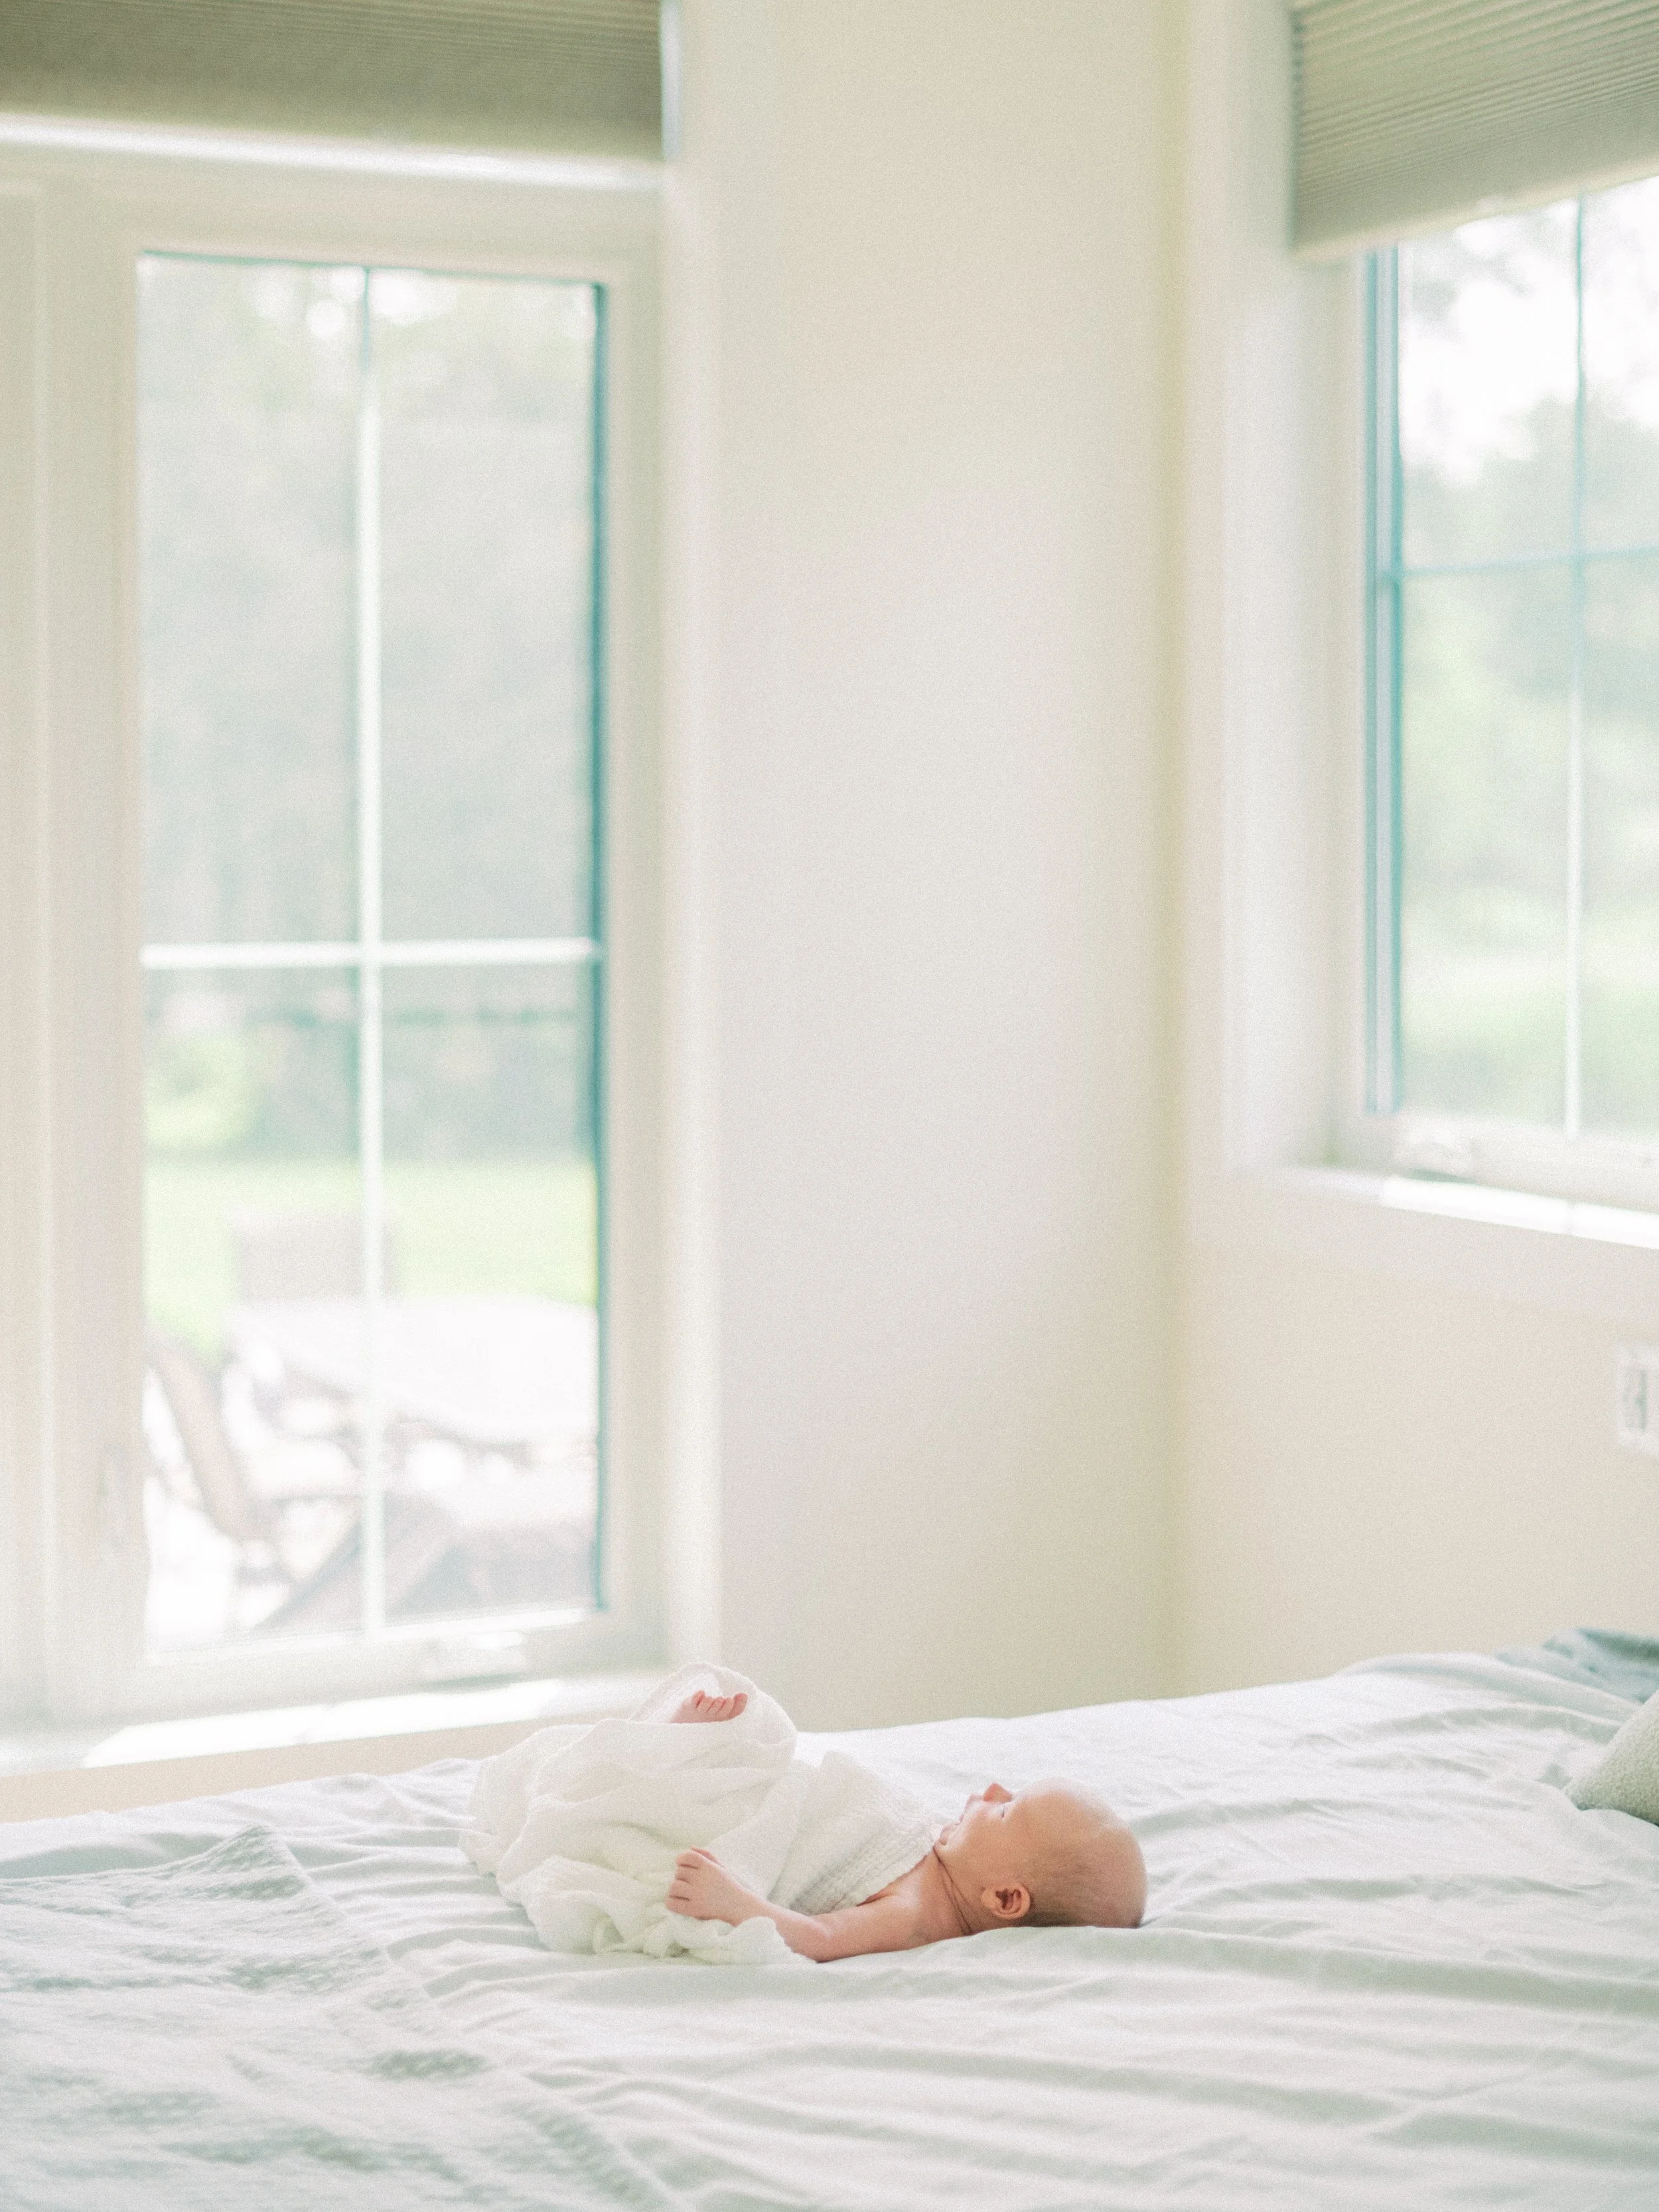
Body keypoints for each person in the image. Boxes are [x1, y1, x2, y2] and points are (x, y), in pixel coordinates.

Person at [663, 1686, 1145, 1962]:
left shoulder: (912, 1915)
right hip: (808, 1796)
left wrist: (732, 1901)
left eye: (1006, 1810)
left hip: (775, 1836)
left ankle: (677, 1766)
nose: (994, 1789)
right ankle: (694, 1761)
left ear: (1004, 1898)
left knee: (720, 1813)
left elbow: (819, 1937)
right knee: (765, 1760)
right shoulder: (949, 1856)